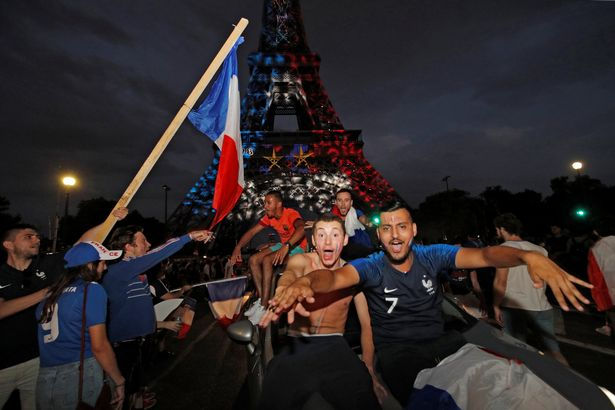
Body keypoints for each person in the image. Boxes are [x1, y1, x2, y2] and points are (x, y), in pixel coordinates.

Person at [262, 201, 592, 406]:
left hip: (451, 345)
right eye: (387, 228)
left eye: (401, 226)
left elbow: (486, 255)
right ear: (379, 236)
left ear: (413, 230)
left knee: (521, 387)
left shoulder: (433, 255)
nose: (394, 234)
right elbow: (331, 279)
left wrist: (525, 256)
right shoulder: (368, 267)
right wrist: (303, 282)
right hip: (402, 358)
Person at [258, 214, 383, 410]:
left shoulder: (354, 274)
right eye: (321, 235)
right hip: (296, 346)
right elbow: (291, 272)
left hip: (336, 348)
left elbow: (367, 325)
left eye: (335, 235)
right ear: (314, 240)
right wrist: (284, 288)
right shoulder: (301, 260)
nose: (328, 241)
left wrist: (369, 369)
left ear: (344, 239)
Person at [0, 214, 125, 409]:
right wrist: (44, 293)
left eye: (37, 236)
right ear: (8, 244)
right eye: (29, 236)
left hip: (40, 361)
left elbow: (82, 246)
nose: (37, 239)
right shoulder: (2, 274)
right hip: (5, 363)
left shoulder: (47, 265)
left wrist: (110, 220)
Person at [99, 218, 212, 409]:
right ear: (128, 247)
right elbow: (158, 253)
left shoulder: (134, 271)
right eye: (144, 241)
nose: (149, 245)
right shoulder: (120, 269)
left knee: (133, 392)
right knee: (120, 398)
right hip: (122, 347)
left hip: (137, 344)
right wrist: (189, 236)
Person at [36, 241, 125, 409]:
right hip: (79, 372)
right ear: (90, 265)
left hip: (45, 376)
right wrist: (119, 380)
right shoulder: (91, 289)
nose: (104, 268)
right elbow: (99, 346)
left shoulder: (51, 293)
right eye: (102, 263)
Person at [492, 213, 568, 365]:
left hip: (515, 308)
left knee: (515, 351)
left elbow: (501, 282)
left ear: (501, 229)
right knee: (553, 351)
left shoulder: (502, 250)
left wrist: (495, 305)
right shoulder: (539, 250)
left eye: (497, 229)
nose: (496, 232)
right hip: (542, 305)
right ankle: (572, 384)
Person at [230, 191, 307, 321]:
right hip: (283, 244)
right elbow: (252, 232)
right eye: (264, 203)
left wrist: (287, 246)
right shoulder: (269, 217)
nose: (265, 206)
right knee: (254, 259)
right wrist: (238, 247)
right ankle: (261, 300)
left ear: (279, 204)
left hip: (297, 247)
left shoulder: (290, 214)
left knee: (267, 260)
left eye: (268, 203)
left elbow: (302, 229)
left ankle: (265, 307)